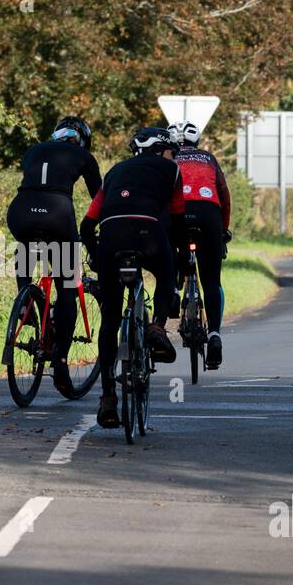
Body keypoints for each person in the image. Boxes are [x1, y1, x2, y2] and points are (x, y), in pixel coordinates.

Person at [81, 127, 184, 429]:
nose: (173, 155)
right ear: (160, 149)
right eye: (170, 150)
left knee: (111, 317)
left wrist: (95, 255)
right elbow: (177, 217)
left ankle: (108, 398)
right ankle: (157, 327)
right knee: (166, 274)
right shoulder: (172, 169)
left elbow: (87, 225)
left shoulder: (114, 171)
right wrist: (176, 253)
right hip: (148, 234)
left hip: (111, 238)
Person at [6, 115, 102, 394]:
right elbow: (100, 197)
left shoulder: (33, 150)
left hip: (21, 211)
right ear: (81, 139)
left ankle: (25, 298)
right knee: (68, 287)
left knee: (27, 248)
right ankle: (60, 362)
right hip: (57, 214)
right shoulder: (83, 155)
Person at [170, 121, 232, 370]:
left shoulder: (169, 158)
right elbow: (224, 194)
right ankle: (215, 334)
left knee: (172, 252)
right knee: (212, 281)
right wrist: (223, 229)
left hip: (180, 213)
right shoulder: (208, 158)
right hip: (210, 215)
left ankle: (174, 292)